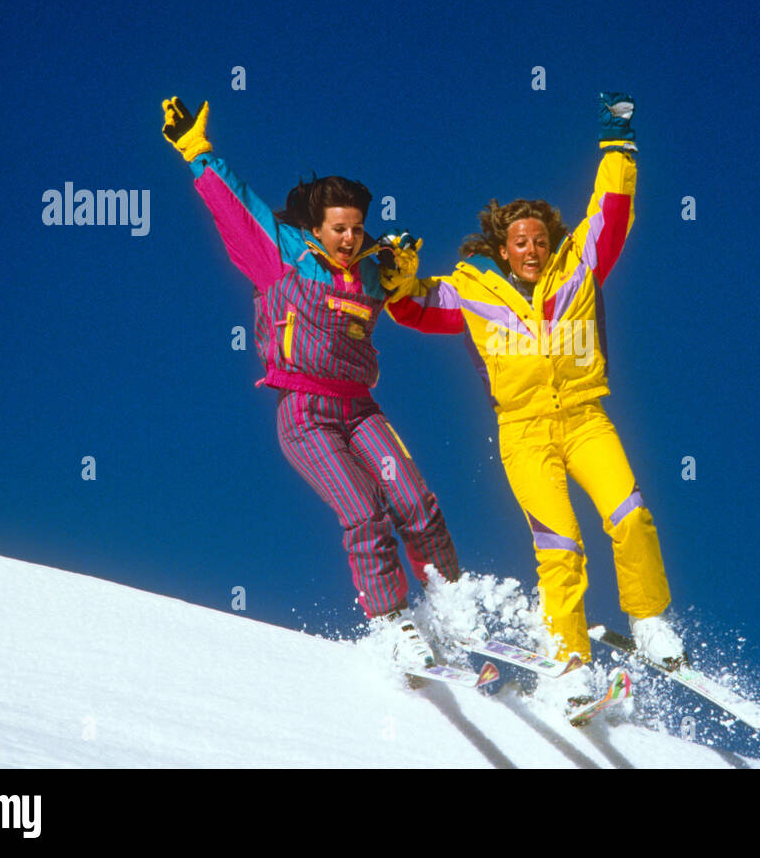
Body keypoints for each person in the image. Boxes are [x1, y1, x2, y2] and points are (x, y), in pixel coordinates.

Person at [384, 92, 684, 688]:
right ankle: (571, 661)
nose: (532, 249)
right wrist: (395, 279)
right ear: (503, 248)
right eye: (520, 241)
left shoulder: (578, 268)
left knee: (630, 513)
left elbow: (611, 210)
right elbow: (417, 306)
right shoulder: (473, 289)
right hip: (523, 432)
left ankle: (648, 618)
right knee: (560, 545)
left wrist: (617, 142)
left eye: (539, 239)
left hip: (585, 418)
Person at [160, 96, 459, 668]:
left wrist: (405, 275)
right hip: (306, 416)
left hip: (362, 409)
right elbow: (237, 209)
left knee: (417, 504)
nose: (349, 238)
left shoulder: (374, 268)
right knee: (365, 511)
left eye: (356, 228)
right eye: (338, 228)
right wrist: (199, 154)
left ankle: (452, 607)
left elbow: (414, 293)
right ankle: (393, 621)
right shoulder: (283, 258)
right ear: (316, 229)